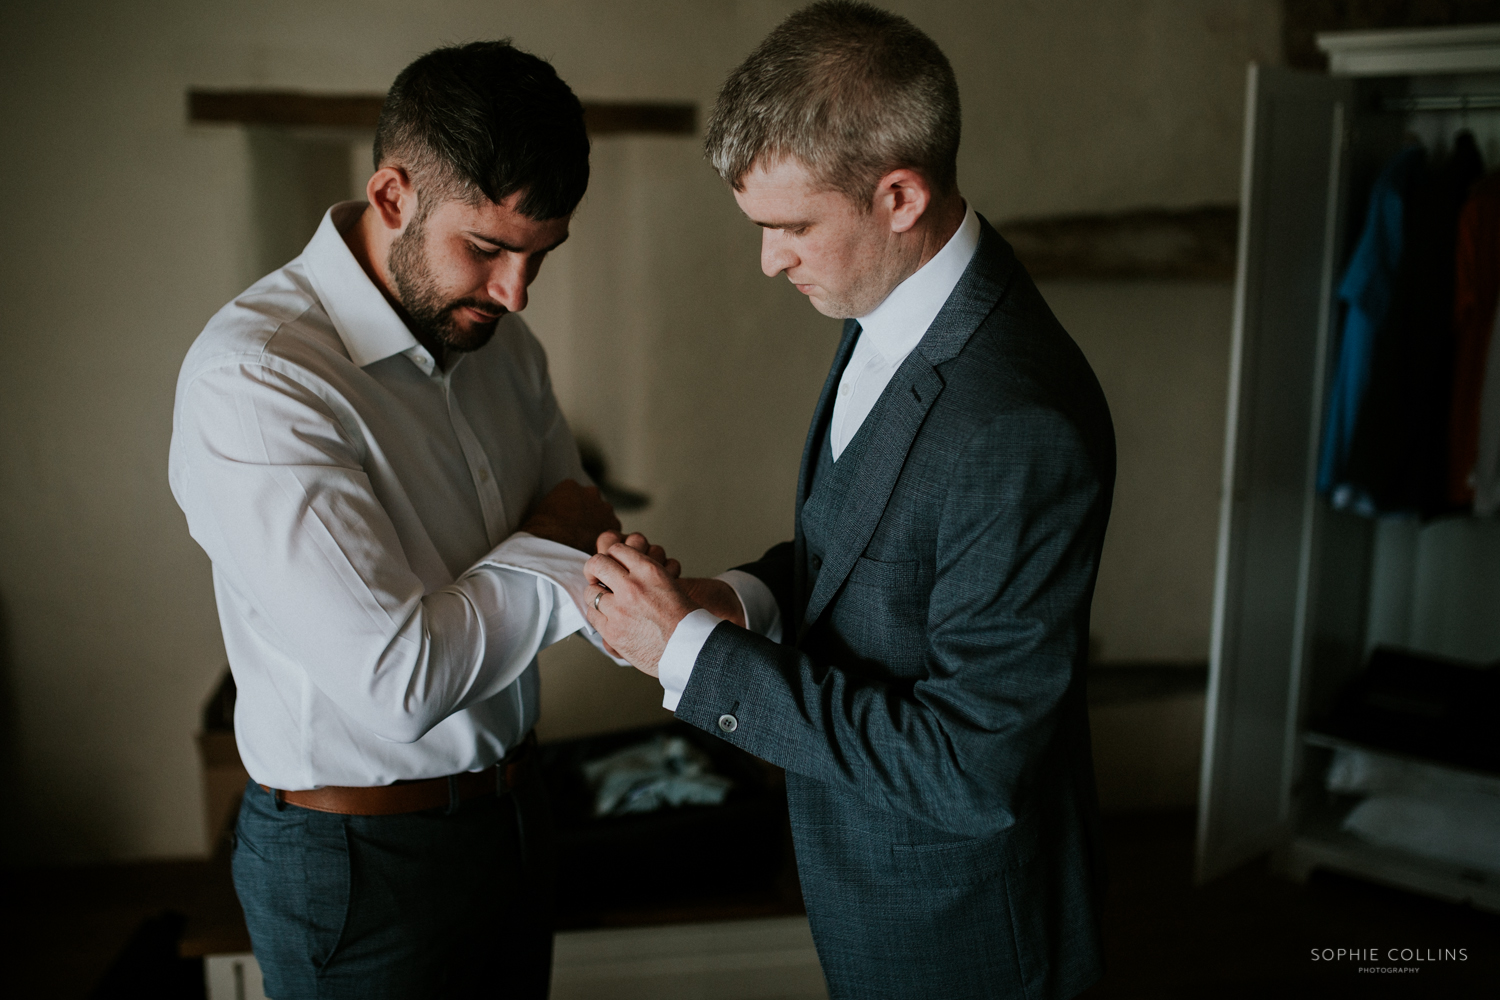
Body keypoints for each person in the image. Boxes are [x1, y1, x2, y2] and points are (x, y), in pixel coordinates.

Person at [584, 4, 1115, 997]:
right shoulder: (893, 297)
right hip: (866, 885)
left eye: (789, 228)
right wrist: (729, 602)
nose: (769, 260)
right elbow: (877, 549)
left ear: (900, 195)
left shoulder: (1017, 423)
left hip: (965, 937)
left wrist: (694, 658)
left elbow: (971, 768)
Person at [168, 40, 662, 999]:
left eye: (539, 257)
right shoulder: (260, 377)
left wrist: (584, 565)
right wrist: (556, 546)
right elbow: (400, 682)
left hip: (518, 821)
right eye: (486, 248)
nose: (515, 294)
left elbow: (589, 539)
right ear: (393, 195)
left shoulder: (506, 348)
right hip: (357, 861)